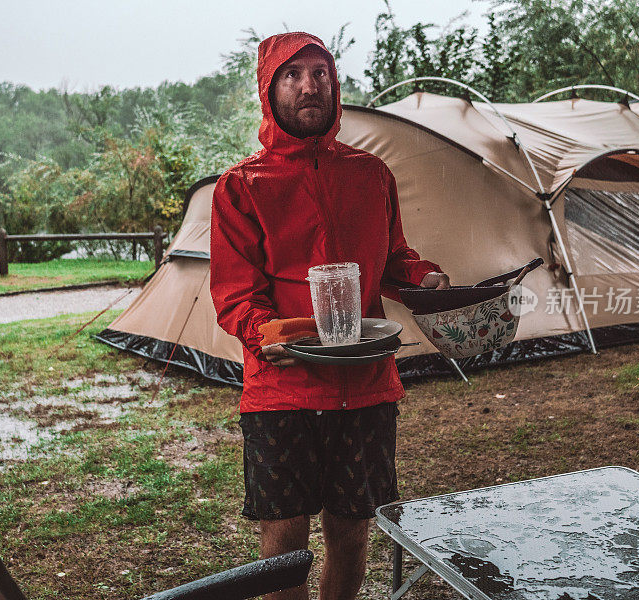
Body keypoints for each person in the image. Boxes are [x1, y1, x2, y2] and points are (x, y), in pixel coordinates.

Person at [210, 32, 449, 600]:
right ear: (270, 92)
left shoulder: (370, 175)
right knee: (285, 547)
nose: (309, 85)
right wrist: (269, 334)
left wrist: (426, 279)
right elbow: (235, 293)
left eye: (320, 73)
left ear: (335, 86)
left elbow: (394, 261)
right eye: (292, 75)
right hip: (283, 388)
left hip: (365, 387)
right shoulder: (242, 186)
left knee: (351, 532)